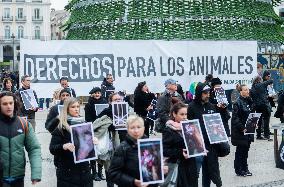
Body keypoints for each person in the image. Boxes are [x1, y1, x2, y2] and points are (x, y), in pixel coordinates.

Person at [49, 97, 97, 187]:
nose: (76, 109)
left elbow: (89, 150)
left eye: (78, 106)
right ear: (67, 109)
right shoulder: (61, 127)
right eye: (73, 107)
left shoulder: (84, 123)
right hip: (67, 172)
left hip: (84, 171)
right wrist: (64, 146)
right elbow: (52, 148)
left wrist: (94, 142)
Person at [0, 91, 42, 187]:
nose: (9, 106)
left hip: (18, 177)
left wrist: (36, 173)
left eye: (11, 103)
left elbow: (34, 148)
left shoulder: (24, 124)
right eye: (4, 104)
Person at [187, 82, 222, 187]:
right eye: (205, 93)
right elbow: (189, 127)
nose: (208, 95)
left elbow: (218, 123)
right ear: (199, 93)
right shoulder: (191, 107)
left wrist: (223, 111)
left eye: (209, 92)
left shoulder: (211, 106)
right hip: (197, 144)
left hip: (210, 143)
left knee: (210, 170)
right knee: (195, 172)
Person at [108, 115, 158, 187]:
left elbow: (155, 173)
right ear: (127, 129)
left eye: (138, 127)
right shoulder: (122, 148)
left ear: (143, 128)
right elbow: (113, 173)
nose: (136, 131)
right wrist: (133, 181)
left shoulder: (152, 146)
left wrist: (162, 171)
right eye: (132, 128)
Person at [163, 102, 198, 187]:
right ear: (174, 114)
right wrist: (180, 152)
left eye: (186, 114)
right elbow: (164, 150)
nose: (185, 117)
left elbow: (195, 143)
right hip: (178, 166)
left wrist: (200, 148)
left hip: (191, 165)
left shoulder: (189, 126)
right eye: (182, 114)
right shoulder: (169, 130)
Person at [231, 84, 255, 177]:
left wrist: (254, 123)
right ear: (240, 92)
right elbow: (235, 119)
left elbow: (252, 115)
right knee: (240, 151)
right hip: (241, 131)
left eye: (248, 89)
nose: (247, 91)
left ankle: (245, 168)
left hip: (249, 130)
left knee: (246, 151)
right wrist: (242, 128)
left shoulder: (249, 101)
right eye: (245, 90)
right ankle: (239, 169)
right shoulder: (237, 103)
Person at [84, 87, 107, 181]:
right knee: (93, 152)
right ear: (92, 94)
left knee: (102, 151)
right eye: (95, 93)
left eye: (99, 93)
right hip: (93, 129)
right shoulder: (89, 104)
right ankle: (94, 172)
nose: (97, 94)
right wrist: (96, 122)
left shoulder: (105, 102)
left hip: (103, 130)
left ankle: (100, 171)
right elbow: (87, 118)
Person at [250, 75, 274, 140]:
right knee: (266, 120)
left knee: (259, 121)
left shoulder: (252, 87)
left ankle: (258, 135)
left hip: (257, 106)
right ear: (259, 80)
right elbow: (271, 80)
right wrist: (269, 77)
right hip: (264, 105)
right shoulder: (261, 84)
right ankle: (266, 135)